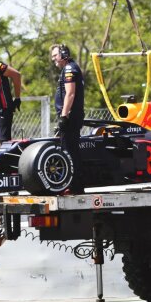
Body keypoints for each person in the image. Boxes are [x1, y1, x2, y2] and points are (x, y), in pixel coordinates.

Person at [51, 43, 85, 193]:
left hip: (70, 117)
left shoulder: (70, 69)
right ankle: (74, 185)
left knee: (69, 151)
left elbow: (70, 93)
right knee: (69, 150)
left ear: (63, 54)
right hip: (70, 117)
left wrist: (64, 116)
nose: (54, 60)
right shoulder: (68, 69)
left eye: (55, 56)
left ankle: (74, 186)